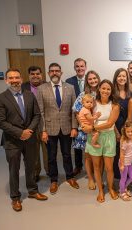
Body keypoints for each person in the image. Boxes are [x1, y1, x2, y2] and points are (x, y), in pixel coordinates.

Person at [0, 68, 48, 212]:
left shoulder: (29, 95)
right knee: (14, 169)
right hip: (12, 141)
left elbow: (37, 115)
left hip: (30, 138)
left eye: (17, 77)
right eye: (11, 78)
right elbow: (0, 122)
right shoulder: (0, 98)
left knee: (31, 166)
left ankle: (32, 190)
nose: (14, 80)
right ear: (6, 80)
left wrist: (28, 131)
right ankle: (15, 197)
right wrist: (20, 133)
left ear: (21, 79)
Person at [37, 63, 79, 194]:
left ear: (61, 72)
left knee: (67, 154)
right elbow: (41, 111)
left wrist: (74, 127)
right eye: (52, 71)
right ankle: (54, 180)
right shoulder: (41, 88)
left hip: (67, 127)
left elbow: (73, 110)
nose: (54, 73)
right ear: (48, 73)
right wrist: (43, 130)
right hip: (50, 128)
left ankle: (70, 177)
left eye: (57, 71)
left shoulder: (70, 88)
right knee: (51, 156)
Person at [84, 79, 120, 203]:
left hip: (109, 137)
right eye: (103, 88)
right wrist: (85, 127)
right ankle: (100, 190)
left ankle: (110, 188)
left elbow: (110, 123)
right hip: (94, 137)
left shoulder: (115, 105)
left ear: (111, 91)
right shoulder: (92, 103)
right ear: (99, 89)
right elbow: (84, 116)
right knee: (97, 166)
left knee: (109, 168)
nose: (105, 91)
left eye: (108, 89)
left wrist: (93, 127)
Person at [72, 70, 101, 190]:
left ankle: (98, 177)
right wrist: (84, 127)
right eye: (90, 79)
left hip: (100, 129)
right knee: (88, 156)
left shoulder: (102, 92)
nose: (93, 81)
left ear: (98, 79)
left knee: (99, 156)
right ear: (87, 81)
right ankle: (90, 178)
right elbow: (77, 113)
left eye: (95, 78)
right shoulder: (83, 95)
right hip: (87, 130)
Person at [21, 66, 48, 181]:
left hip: (46, 123)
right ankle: (36, 173)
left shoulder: (47, 86)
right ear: (29, 75)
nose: (35, 76)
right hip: (31, 124)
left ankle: (50, 171)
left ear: (41, 75)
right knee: (33, 151)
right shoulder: (23, 87)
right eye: (33, 74)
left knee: (48, 150)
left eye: (38, 73)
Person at [66, 58, 87, 176]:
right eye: (77, 66)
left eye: (82, 66)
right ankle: (78, 166)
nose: (80, 68)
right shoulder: (69, 81)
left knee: (89, 143)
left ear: (85, 67)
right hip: (75, 116)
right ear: (74, 68)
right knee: (77, 144)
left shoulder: (90, 80)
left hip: (87, 117)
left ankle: (92, 165)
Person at [112, 68, 132, 179]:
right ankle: (117, 181)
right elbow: (109, 116)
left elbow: (131, 115)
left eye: (124, 76)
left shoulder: (131, 94)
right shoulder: (111, 94)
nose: (122, 78)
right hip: (114, 129)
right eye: (119, 76)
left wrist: (124, 132)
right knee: (117, 156)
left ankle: (126, 179)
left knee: (127, 155)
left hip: (127, 130)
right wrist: (117, 132)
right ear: (116, 78)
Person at [118, 121, 132, 201]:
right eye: (128, 132)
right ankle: (122, 192)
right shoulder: (125, 142)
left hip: (129, 163)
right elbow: (121, 154)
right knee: (123, 178)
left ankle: (123, 187)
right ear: (125, 132)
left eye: (131, 131)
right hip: (124, 163)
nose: (130, 133)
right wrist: (122, 165)